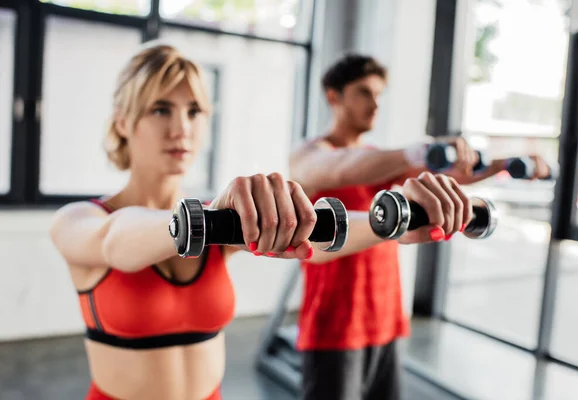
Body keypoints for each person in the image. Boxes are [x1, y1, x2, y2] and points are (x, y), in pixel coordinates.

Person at [49, 44, 476, 400]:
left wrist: (390, 221)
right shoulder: (81, 219)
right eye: (161, 109)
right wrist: (203, 220)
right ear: (124, 122)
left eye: (194, 111)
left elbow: (315, 241)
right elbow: (115, 241)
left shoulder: (216, 218)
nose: (181, 128)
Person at [290, 53, 552, 400]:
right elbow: (341, 167)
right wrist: (420, 151)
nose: (375, 104)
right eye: (364, 92)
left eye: (379, 94)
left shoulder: (377, 156)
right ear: (333, 96)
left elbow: (449, 175)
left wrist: (509, 164)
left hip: (384, 319)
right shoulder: (312, 155)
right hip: (336, 326)